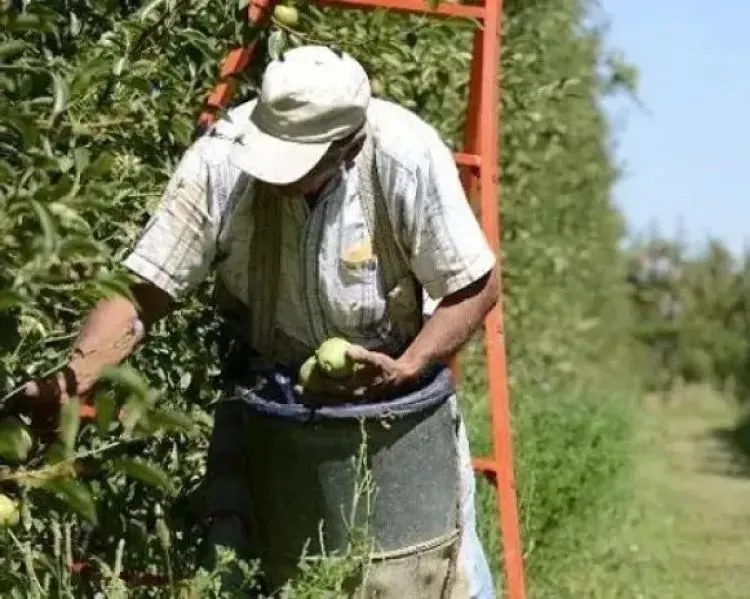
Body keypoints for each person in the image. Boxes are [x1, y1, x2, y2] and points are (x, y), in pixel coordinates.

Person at [18, 44, 498, 597]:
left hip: (393, 415)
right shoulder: (223, 160)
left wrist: (407, 364)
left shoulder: (404, 156)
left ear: (346, 146)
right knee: (243, 572)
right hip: (270, 406)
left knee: (427, 570)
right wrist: (71, 379)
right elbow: (143, 290)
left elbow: (477, 284)